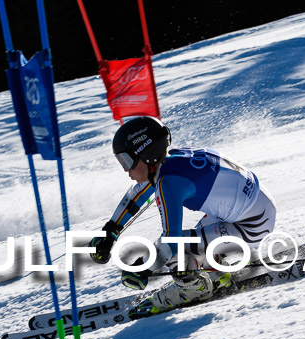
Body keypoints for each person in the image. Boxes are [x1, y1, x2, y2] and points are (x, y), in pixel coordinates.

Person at [89, 116, 277, 318]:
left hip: (251, 226)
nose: (126, 170)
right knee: (188, 245)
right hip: (257, 207)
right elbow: (138, 193)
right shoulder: (173, 160)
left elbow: (172, 242)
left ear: (147, 154)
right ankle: (214, 270)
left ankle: (194, 288)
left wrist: (143, 266)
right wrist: (110, 232)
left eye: (127, 161)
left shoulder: (169, 183)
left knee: (170, 248)